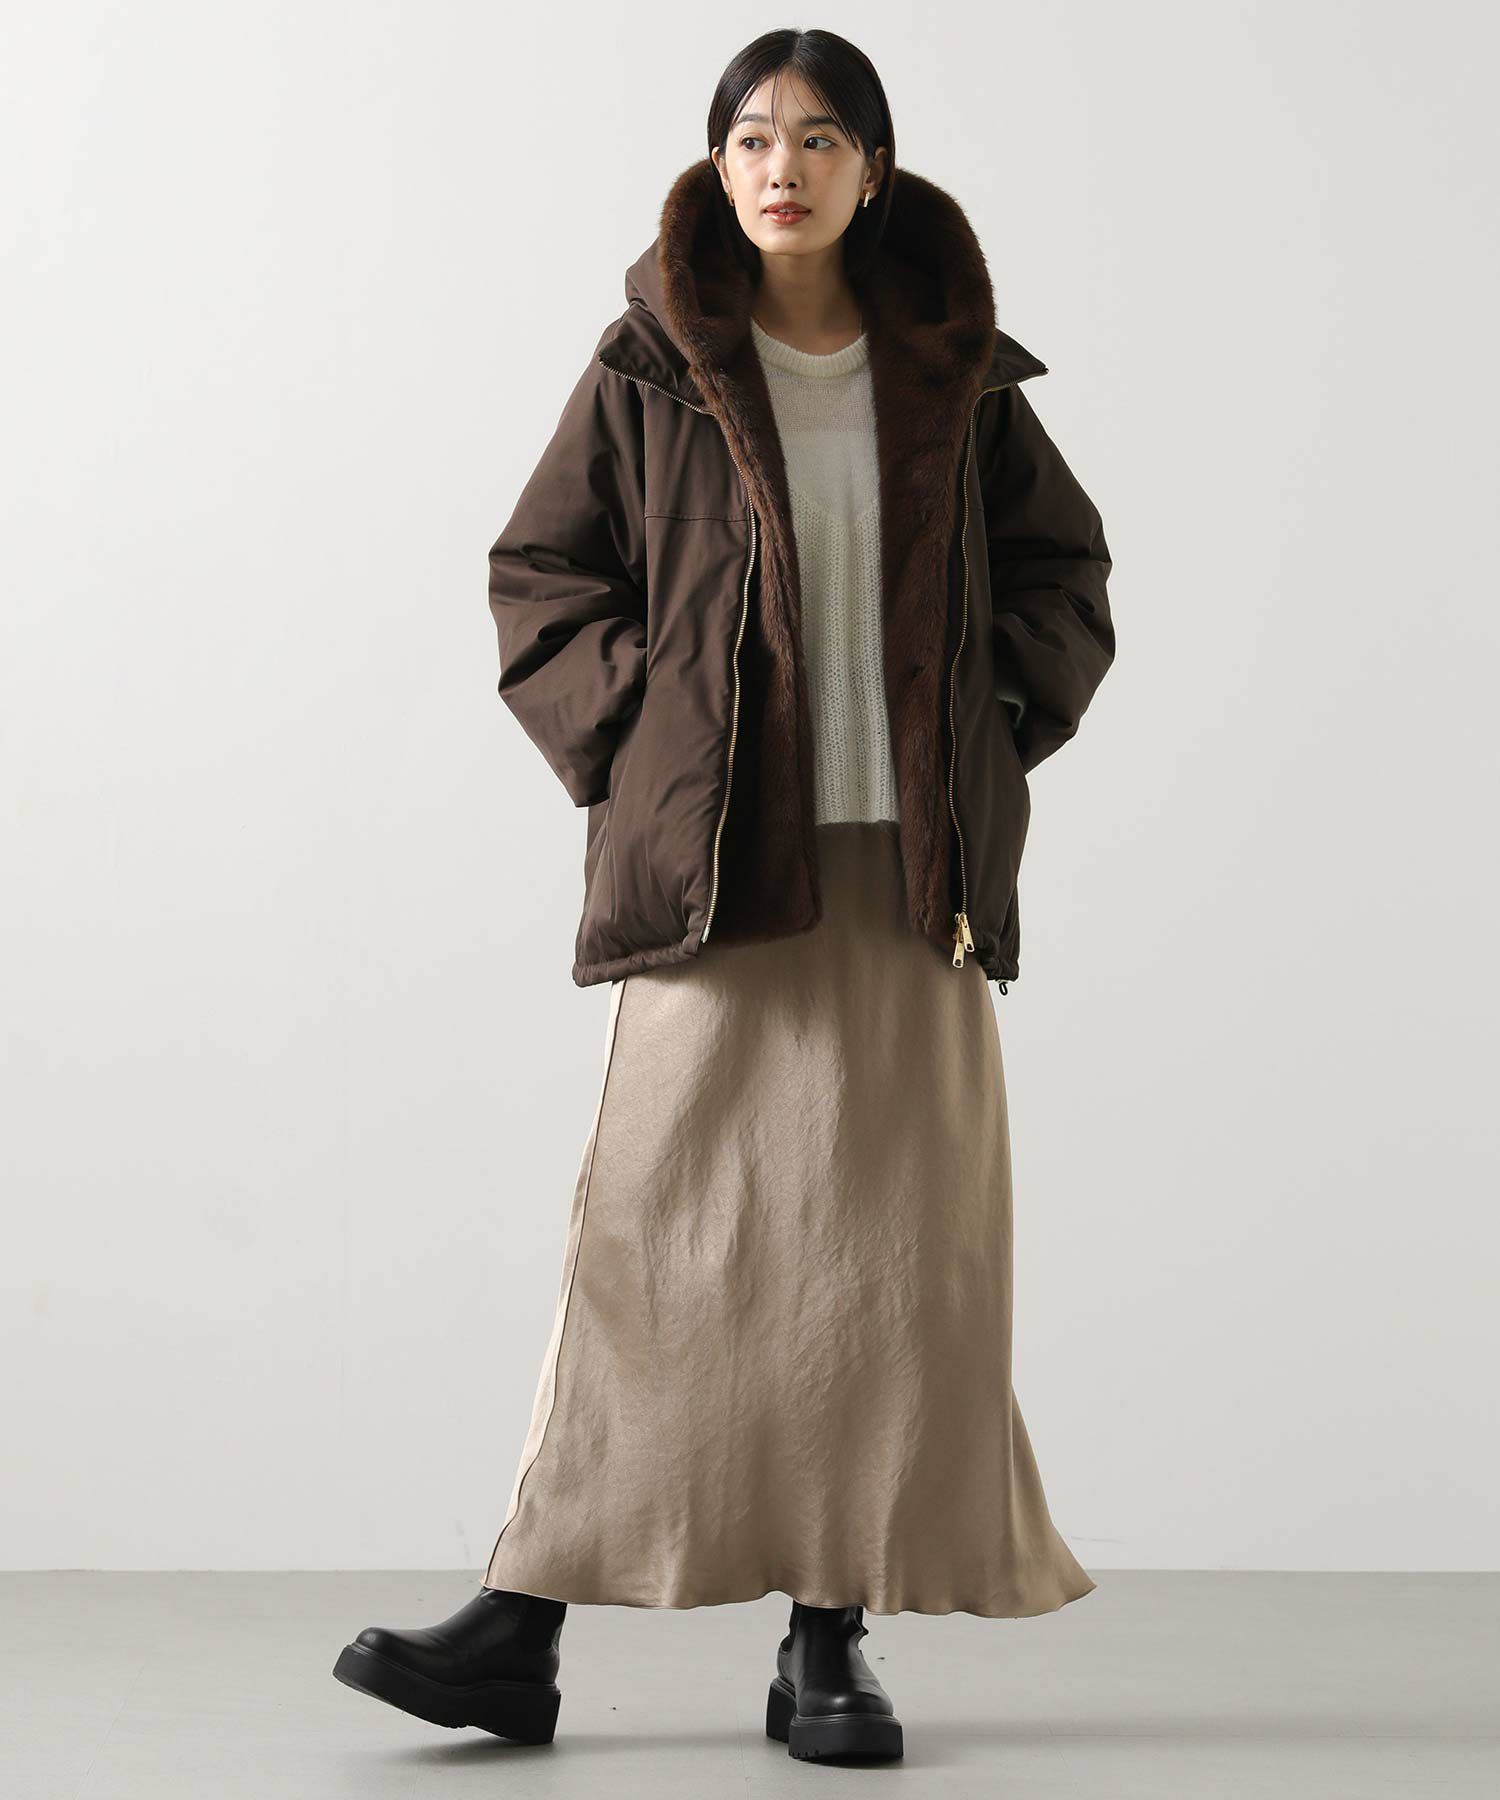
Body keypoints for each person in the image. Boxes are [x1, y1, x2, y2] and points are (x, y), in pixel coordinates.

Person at [333, 27, 1114, 1765]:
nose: (784, 167)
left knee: (882, 1267)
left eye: (821, 138)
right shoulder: (651, 367)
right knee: (653, 1241)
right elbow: (542, 575)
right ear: (717, 161)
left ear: (873, 172)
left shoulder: (959, 379)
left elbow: (1065, 579)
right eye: (754, 136)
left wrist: (984, 722)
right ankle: (522, 1619)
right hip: (718, 870)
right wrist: (651, 736)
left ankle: (828, 1640)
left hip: (907, 879)